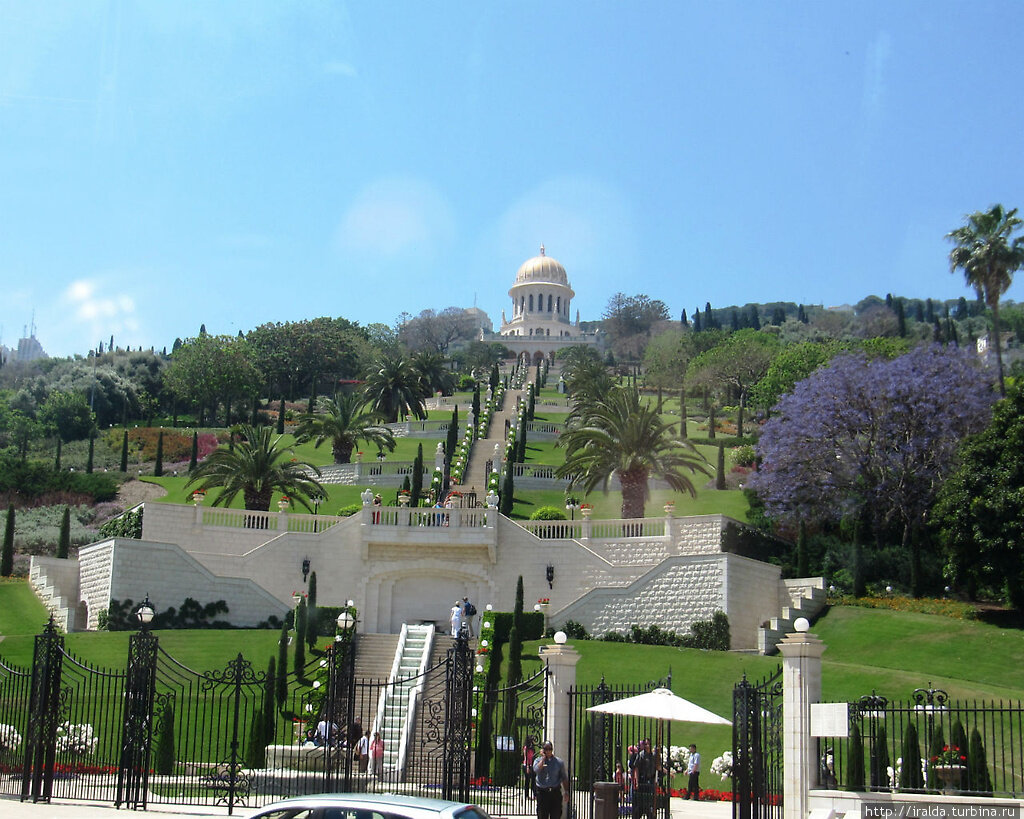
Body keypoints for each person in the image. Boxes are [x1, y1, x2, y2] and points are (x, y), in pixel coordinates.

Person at [532, 739, 569, 819]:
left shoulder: (559, 762)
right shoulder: (538, 760)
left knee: (556, 815)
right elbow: (536, 770)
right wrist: (543, 758)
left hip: (555, 793)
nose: (548, 751)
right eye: (546, 749)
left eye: (550, 749)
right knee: (542, 815)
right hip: (542, 793)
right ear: (542, 749)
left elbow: (564, 777)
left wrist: (566, 791)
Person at [632, 739, 662, 819]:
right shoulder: (641, 755)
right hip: (643, 779)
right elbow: (637, 768)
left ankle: (650, 815)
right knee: (641, 802)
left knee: (650, 801)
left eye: (648, 744)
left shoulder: (653, 756)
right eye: (645, 744)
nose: (647, 746)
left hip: (651, 780)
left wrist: (658, 756)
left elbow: (658, 768)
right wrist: (637, 781)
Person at [522, 735, 537, 799]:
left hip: (532, 765)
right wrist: (527, 767)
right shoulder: (526, 747)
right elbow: (526, 757)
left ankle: (535, 794)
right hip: (526, 765)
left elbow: (533, 756)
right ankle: (526, 795)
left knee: (534, 780)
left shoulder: (532, 748)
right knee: (527, 781)